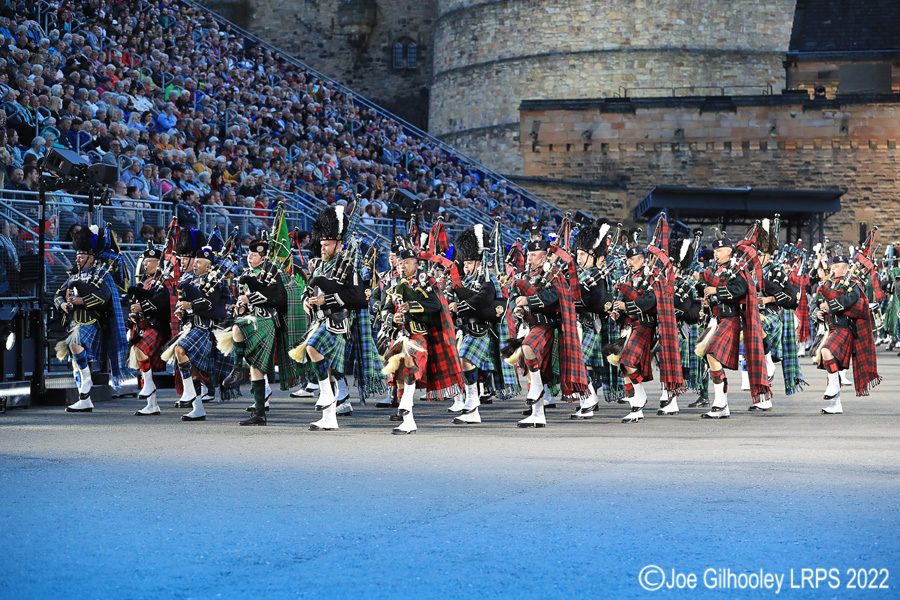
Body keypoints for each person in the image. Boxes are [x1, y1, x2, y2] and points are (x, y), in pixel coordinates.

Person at [291, 206, 375, 431]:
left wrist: (326, 300)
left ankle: (327, 394)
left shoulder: (348, 265)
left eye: (327, 244)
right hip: (319, 320)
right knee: (326, 368)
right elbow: (308, 289)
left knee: (312, 347)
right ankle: (329, 418)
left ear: (339, 244)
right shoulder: (319, 265)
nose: (322, 248)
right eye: (321, 244)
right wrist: (306, 300)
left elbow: (358, 297)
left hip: (338, 321)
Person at [506, 227, 588, 427]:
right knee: (533, 370)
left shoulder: (553, 275)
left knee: (528, 349)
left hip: (547, 326)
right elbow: (513, 296)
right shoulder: (524, 275)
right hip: (529, 325)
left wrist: (528, 300)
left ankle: (537, 391)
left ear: (544, 258)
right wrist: (518, 308)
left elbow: (552, 297)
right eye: (528, 254)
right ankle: (538, 414)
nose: (529, 258)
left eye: (533, 255)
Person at [221, 231, 305, 426]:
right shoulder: (247, 274)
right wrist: (242, 306)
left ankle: (236, 369)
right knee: (256, 367)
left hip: (267, 320)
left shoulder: (274, 272)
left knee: (238, 329)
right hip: (253, 318)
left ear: (264, 258)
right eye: (249, 254)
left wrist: (250, 298)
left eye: (254, 255)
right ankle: (259, 414)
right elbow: (247, 302)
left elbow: (278, 298)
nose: (250, 258)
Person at [380, 241, 464, 434]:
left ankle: (406, 403)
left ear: (416, 265)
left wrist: (411, 307)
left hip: (418, 334)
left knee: (409, 359)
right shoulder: (394, 285)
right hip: (399, 335)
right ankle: (408, 421)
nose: (402, 266)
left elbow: (436, 305)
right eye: (400, 263)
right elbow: (385, 310)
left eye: (406, 263)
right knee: (399, 375)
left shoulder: (425, 282)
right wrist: (393, 317)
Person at [53, 225, 130, 413]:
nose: (78, 259)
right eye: (77, 256)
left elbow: (105, 296)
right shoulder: (74, 275)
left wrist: (82, 301)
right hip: (73, 322)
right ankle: (84, 399)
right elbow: (57, 294)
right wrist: (62, 304)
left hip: (91, 321)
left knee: (74, 344)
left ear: (91, 258)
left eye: (81, 256)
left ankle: (88, 380)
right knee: (76, 362)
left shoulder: (100, 275)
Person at [167, 228, 237, 421]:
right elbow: (188, 304)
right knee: (192, 367)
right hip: (192, 327)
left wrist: (191, 305)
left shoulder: (215, 280)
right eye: (195, 261)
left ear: (208, 267)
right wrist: (183, 311)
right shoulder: (189, 279)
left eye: (198, 262)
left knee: (180, 350)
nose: (194, 264)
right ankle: (197, 406)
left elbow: (211, 304)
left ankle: (190, 391)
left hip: (207, 329)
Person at [697, 236, 771, 419]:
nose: (715, 254)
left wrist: (717, 290)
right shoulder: (715, 270)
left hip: (731, 318)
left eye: (719, 250)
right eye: (715, 250)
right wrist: (708, 300)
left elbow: (740, 290)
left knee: (712, 354)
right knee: (710, 357)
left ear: (729, 252)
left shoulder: (738, 269)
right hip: (717, 320)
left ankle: (720, 403)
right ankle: (722, 405)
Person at [814, 254, 881, 414]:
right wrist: (817, 312)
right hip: (830, 328)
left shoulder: (852, 283)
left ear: (844, 270)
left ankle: (834, 387)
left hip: (844, 327)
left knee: (826, 351)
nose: (832, 268)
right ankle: (836, 404)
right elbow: (816, 303)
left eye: (836, 266)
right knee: (832, 366)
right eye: (832, 266)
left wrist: (830, 305)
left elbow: (852, 299)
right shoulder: (828, 284)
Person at [126, 241, 176, 416]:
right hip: (142, 325)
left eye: (149, 261)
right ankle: (152, 404)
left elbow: (162, 300)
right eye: (145, 261)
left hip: (157, 326)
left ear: (158, 263)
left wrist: (142, 307)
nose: (145, 264)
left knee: (141, 351)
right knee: (145, 365)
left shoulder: (165, 280)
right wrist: (134, 314)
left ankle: (196, 399)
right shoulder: (147, 281)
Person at [570, 221, 613, 419]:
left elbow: (597, 301)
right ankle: (588, 399)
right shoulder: (580, 274)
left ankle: (589, 400)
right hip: (576, 324)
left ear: (594, 256)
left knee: (577, 361)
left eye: (582, 254)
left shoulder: (597, 276)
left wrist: (574, 297)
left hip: (588, 325)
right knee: (575, 362)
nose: (578, 258)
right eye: (577, 254)